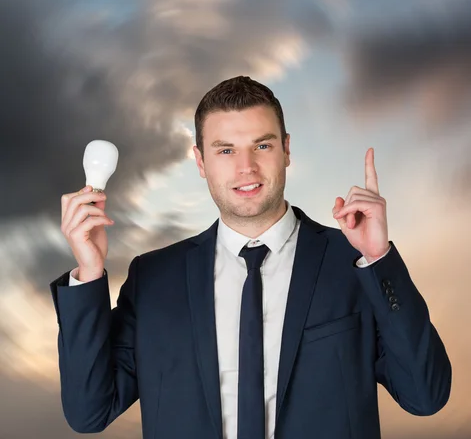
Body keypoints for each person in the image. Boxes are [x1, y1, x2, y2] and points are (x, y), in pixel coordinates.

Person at [50, 75, 451, 439]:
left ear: (287, 149)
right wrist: (88, 272)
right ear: (201, 161)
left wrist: (379, 258)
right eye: (225, 150)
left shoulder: (354, 265)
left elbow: (425, 395)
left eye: (262, 145)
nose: (247, 168)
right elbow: (89, 412)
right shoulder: (153, 279)